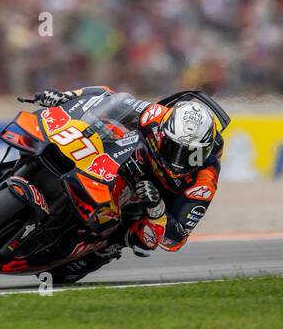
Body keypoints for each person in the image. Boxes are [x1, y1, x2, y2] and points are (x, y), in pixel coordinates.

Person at [33, 85, 226, 283]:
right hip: (123, 158)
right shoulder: (156, 115)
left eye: (192, 155)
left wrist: (157, 208)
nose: (179, 162)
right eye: (173, 147)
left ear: (207, 150)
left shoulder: (205, 179)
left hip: (149, 201)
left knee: (145, 242)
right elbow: (107, 96)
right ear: (163, 132)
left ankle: (106, 248)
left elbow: (176, 240)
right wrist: (67, 97)